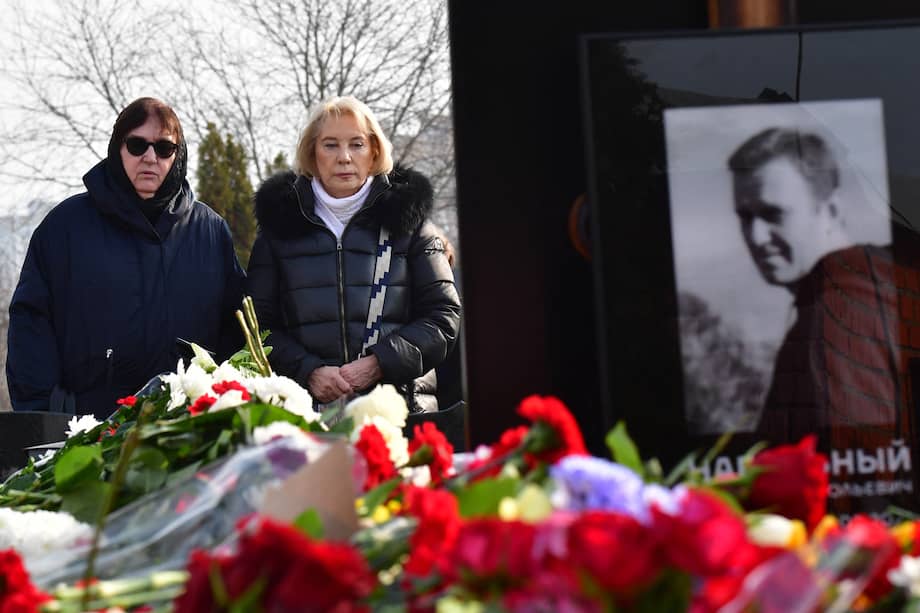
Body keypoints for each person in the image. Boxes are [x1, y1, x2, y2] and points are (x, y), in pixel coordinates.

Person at [7, 97, 245, 418]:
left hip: (186, 430)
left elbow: (237, 331)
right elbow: (31, 324)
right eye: (137, 145)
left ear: (178, 155)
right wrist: (46, 413)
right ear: (118, 148)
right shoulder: (65, 227)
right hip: (85, 431)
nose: (150, 157)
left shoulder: (210, 232)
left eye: (164, 148)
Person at [247, 95, 461, 413]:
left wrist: (379, 363)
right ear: (312, 153)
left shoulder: (412, 223)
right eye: (330, 145)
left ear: (374, 150)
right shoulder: (278, 230)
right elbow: (257, 328)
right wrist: (309, 371)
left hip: (401, 414)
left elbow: (444, 317)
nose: (344, 157)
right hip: (306, 416)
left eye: (357, 144)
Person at [727, 127, 902, 445]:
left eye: (773, 214)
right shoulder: (857, 292)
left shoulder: (843, 309)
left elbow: (860, 473)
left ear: (831, 210)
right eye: (745, 217)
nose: (756, 237)